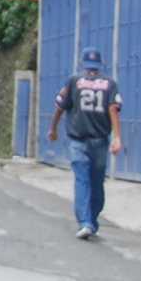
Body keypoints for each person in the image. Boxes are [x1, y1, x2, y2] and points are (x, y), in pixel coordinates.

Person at [47, 47, 123, 239]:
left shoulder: (74, 80)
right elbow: (113, 109)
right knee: (97, 182)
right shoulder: (110, 83)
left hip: (78, 140)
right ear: (101, 64)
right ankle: (92, 220)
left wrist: (53, 128)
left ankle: (85, 222)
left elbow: (60, 107)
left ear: (82, 62)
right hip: (100, 141)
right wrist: (117, 137)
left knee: (82, 180)